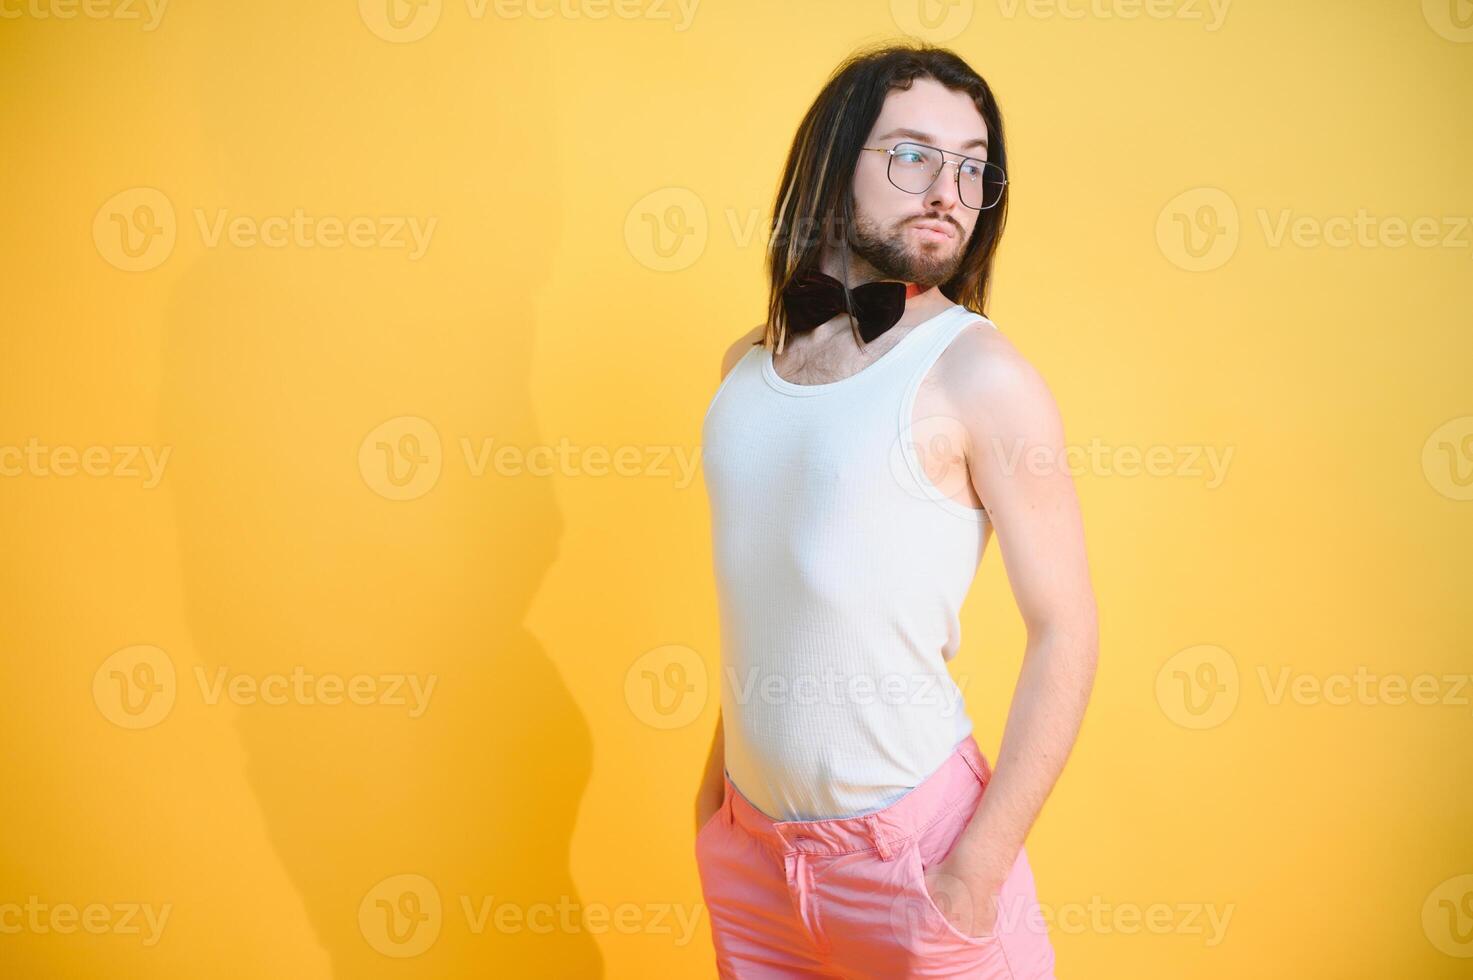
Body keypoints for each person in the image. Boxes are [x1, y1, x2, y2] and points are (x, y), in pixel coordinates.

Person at [694, 40, 1098, 979]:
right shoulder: (742, 370)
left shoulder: (980, 374)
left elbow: (1065, 630)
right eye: (914, 154)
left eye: (971, 167)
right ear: (837, 164)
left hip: (915, 858)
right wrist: (713, 807)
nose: (947, 190)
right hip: (753, 860)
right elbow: (771, 603)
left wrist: (975, 871)